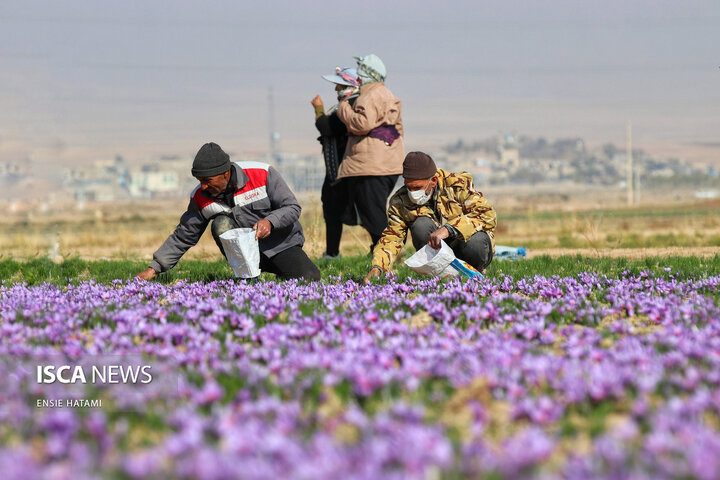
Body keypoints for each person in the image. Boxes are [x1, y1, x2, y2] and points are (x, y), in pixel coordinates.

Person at [136, 142, 321, 281]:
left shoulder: (262, 174)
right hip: (245, 255)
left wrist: (270, 222)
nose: (203, 186)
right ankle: (247, 278)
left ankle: (281, 270)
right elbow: (184, 235)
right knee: (221, 224)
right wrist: (154, 268)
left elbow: (292, 207)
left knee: (310, 278)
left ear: (225, 173)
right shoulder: (201, 196)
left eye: (207, 180)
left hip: (281, 246)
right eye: (200, 180)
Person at [364, 151, 497, 283]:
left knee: (476, 241)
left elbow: (487, 215)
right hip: (437, 253)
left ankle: (475, 272)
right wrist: (378, 267)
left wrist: (449, 229)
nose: (412, 193)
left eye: (417, 187)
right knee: (420, 225)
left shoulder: (457, 185)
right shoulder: (400, 201)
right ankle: (435, 275)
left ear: (433, 181)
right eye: (408, 187)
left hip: (466, 245)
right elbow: (392, 238)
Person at [336, 54, 404, 253]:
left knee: (372, 212)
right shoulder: (385, 94)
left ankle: (389, 252)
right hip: (385, 162)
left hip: (372, 165)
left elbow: (362, 123)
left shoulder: (370, 95)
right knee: (372, 210)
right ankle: (380, 249)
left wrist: (343, 109)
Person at [310, 66, 360, 258]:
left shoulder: (351, 106)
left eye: (339, 85)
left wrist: (318, 110)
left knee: (362, 210)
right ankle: (332, 252)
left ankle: (378, 248)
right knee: (331, 209)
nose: (336, 90)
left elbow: (327, 127)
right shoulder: (346, 105)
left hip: (345, 169)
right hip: (336, 170)